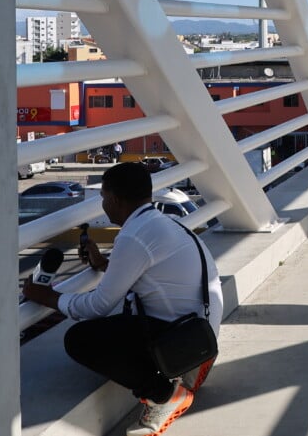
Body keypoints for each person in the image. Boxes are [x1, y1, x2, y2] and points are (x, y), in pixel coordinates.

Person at [22, 163, 220, 436]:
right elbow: (152, 274)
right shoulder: (160, 223)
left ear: (115, 199)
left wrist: (48, 297)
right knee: (121, 321)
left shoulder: (133, 236)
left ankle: (165, 394)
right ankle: (181, 376)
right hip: (199, 340)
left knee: (79, 339)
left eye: (103, 197)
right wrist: (105, 264)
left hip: (181, 347)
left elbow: (97, 306)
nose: (102, 204)